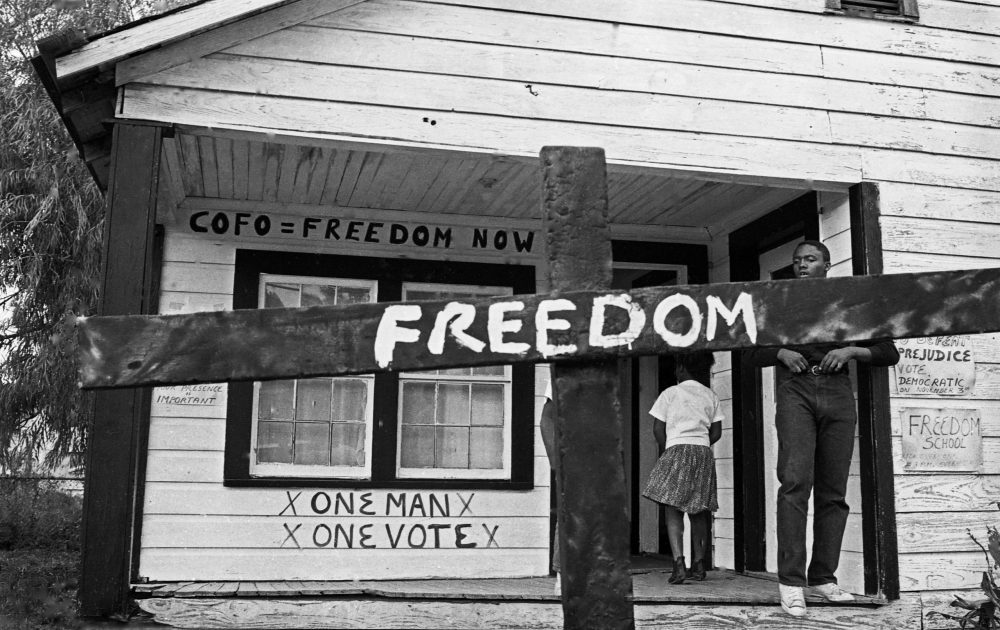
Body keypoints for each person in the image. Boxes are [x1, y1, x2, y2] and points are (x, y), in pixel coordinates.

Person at [746, 240, 900, 618]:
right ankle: (791, 582)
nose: (802, 266)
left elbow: (888, 352)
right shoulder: (780, 302)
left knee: (834, 490)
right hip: (796, 390)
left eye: (810, 260)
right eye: (798, 261)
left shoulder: (850, 301)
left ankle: (822, 577)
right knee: (795, 483)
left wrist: (850, 351)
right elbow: (748, 351)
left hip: (837, 391)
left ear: (827, 265)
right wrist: (780, 352)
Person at [642, 352, 723, 585]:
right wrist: (701, 443)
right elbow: (716, 432)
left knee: (672, 506)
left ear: (680, 369)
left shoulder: (670, 393)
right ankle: (699, 564)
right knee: (699, 510)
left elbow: (658, 428)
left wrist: (669, 446)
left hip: (676, 449)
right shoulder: (710, 395)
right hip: (703, 452)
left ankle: (678, 563)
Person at [538, 376, 562, 596]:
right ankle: (563, 579)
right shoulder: (560, 373)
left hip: (600, 457)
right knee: (568, 515)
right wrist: (556, 462)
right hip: (570, 457)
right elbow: (546, 419)